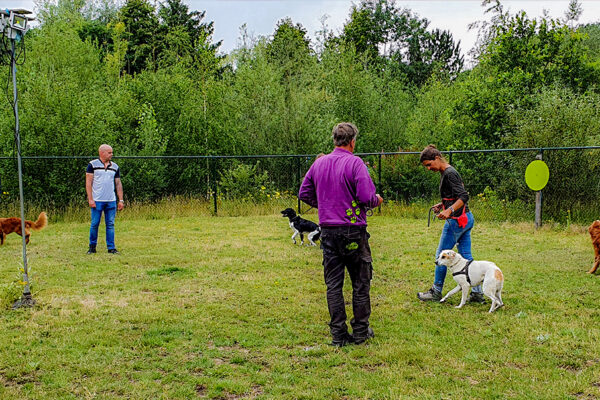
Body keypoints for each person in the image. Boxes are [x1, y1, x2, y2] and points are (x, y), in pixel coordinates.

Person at [299, 122, 383, 347]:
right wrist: (377, 201)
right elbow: (366, 197)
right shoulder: (355, 163)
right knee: (360, 282)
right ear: (353, 141)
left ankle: (338, 334)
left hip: (328, 232)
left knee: (334, 285)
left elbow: (304, 192)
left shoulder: (319, 163)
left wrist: (325, 205)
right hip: (353, 230)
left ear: (334, 139)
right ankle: (360, 332)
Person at [417, 145, 485, 303]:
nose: (428, 168)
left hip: (456, 221)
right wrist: (442, 206)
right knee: (467, 257)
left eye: (429, 164)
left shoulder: (449, 173)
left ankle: (436, 291)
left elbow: (463, 196)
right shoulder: (446, 172)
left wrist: (449, 211)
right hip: (466, 218)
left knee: (440, 255)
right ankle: (476, 293)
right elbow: (453, 197)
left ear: (437, 158)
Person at [86, 144, 124, 254]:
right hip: (97, 200)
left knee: (110, 224)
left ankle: (111, 248)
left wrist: (120, 200)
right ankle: (92, 247)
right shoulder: (92, 165)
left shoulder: (115, 167)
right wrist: (91, 199)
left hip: (111, 200)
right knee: (95, 223)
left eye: (112, 152)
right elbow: (88, 182)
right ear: (102, 153)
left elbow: (118, 183)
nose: (112, 154)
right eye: (109, 152)